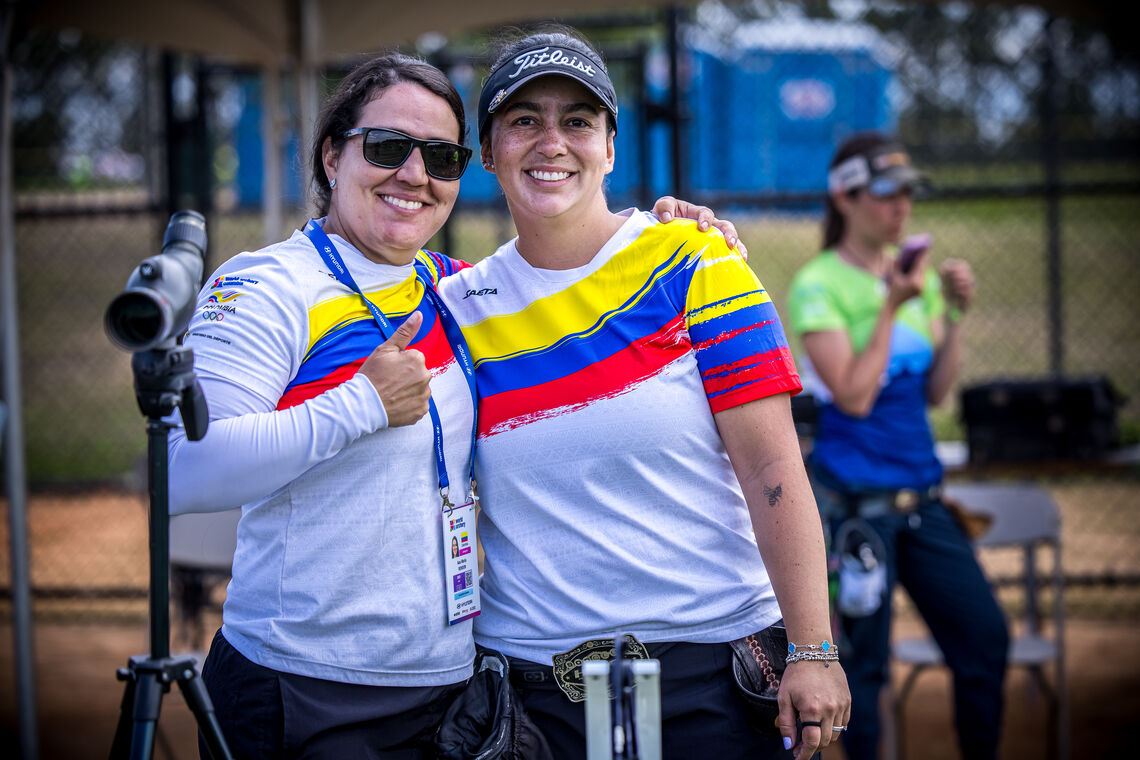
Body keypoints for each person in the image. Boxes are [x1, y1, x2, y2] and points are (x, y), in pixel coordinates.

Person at [166, 51, 741, 758]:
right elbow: (183, 472)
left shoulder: (460, 292)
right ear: (330, 157)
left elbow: (574, 262)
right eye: (387, 147)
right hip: (302, 683)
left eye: (441, 157)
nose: (414, 174)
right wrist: (359, 406)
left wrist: (663, 230)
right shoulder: (268, 286)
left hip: (447, 689)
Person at [436, 26, 850, 760]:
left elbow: (774, 471)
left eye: (578, 121)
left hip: (709, 677)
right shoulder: (456, 303)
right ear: (490, 152)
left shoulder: (696, 262)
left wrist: (813, 648)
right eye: (524, 121)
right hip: (534, 698)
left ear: (610, 148)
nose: (551, 142)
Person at [786, 132, 1008, 760]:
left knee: (985, 639)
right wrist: (890, 308)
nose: (901, 208)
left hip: (924, 498)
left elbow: (936, 391)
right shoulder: (818, 283)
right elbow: (853, 396)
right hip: (859, 508)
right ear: (845, 197)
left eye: (908, 195)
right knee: (866, 673)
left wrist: (955, 316)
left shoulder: (917, 278)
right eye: (886, 195)